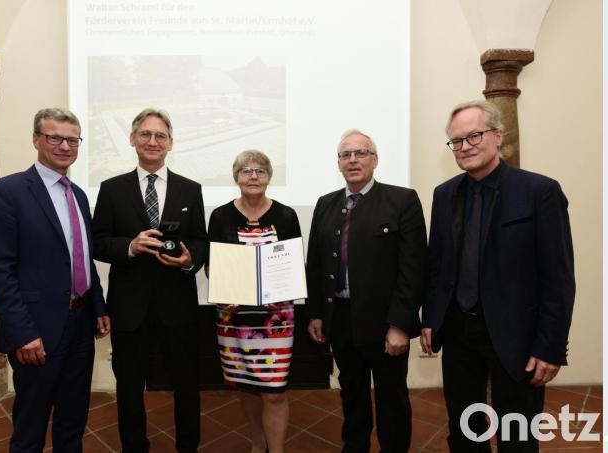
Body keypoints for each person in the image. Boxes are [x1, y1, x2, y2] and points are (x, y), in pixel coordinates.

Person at [421, 100, 576, 452]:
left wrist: (550, 346)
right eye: (457, 141)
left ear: (497, 136)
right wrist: (431, 318)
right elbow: (438, 265)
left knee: (517, 435)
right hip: (459, 332)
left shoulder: (540, 192)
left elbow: (559, 277)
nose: (465, 146)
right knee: (463, 429)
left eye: (474, 135)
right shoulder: (444, 195)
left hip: (516, 336)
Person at [0, 107, 111, 452]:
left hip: (81, 324)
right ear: (36, 139)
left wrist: (97, 305)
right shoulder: (7, 192)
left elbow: (81, 257)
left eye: (72, 139)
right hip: (36, 332)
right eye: (55, 137)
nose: (65, 146)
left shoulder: (79, 195)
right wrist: (22, 333)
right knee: (31, 425)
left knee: (73, 420)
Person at [91, 108, 208, 453]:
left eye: (160, 136)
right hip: (130, 308)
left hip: (179, 307)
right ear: (132, 139)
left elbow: (201, 240)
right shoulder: (112, 189)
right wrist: (130, 245)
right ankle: (134, 447)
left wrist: (190, 260)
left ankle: (188, 447)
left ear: (170, 143)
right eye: (145, 134)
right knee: (129, 388)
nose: (152, 141)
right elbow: (97, 241)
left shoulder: (190, 189)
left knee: (187, 386)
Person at [306, 129, 427, 452]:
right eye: (346, 155)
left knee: (391, 397)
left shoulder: (402, 200)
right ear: (338, 163)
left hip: (385, 322)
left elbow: (412, 269)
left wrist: (400, 324)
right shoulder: (326, 204)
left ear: (375, 160)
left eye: (361, 153)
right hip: (341, 319)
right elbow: (315, 265)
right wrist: (316, 314)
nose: (353, 160)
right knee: (351, 391)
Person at [206, 150, 301, 453]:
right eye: (246, 171)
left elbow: (292, 264)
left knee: (274, 391)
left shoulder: (286, 216)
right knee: (245, 386)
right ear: (236, 177)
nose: (253, 177)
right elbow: (212, 265)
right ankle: (257, 443)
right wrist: (225, 288)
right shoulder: (220, 216)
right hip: (234, 319)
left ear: (269, 177)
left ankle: (276, 449)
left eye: (260, 171)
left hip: (276, 321)